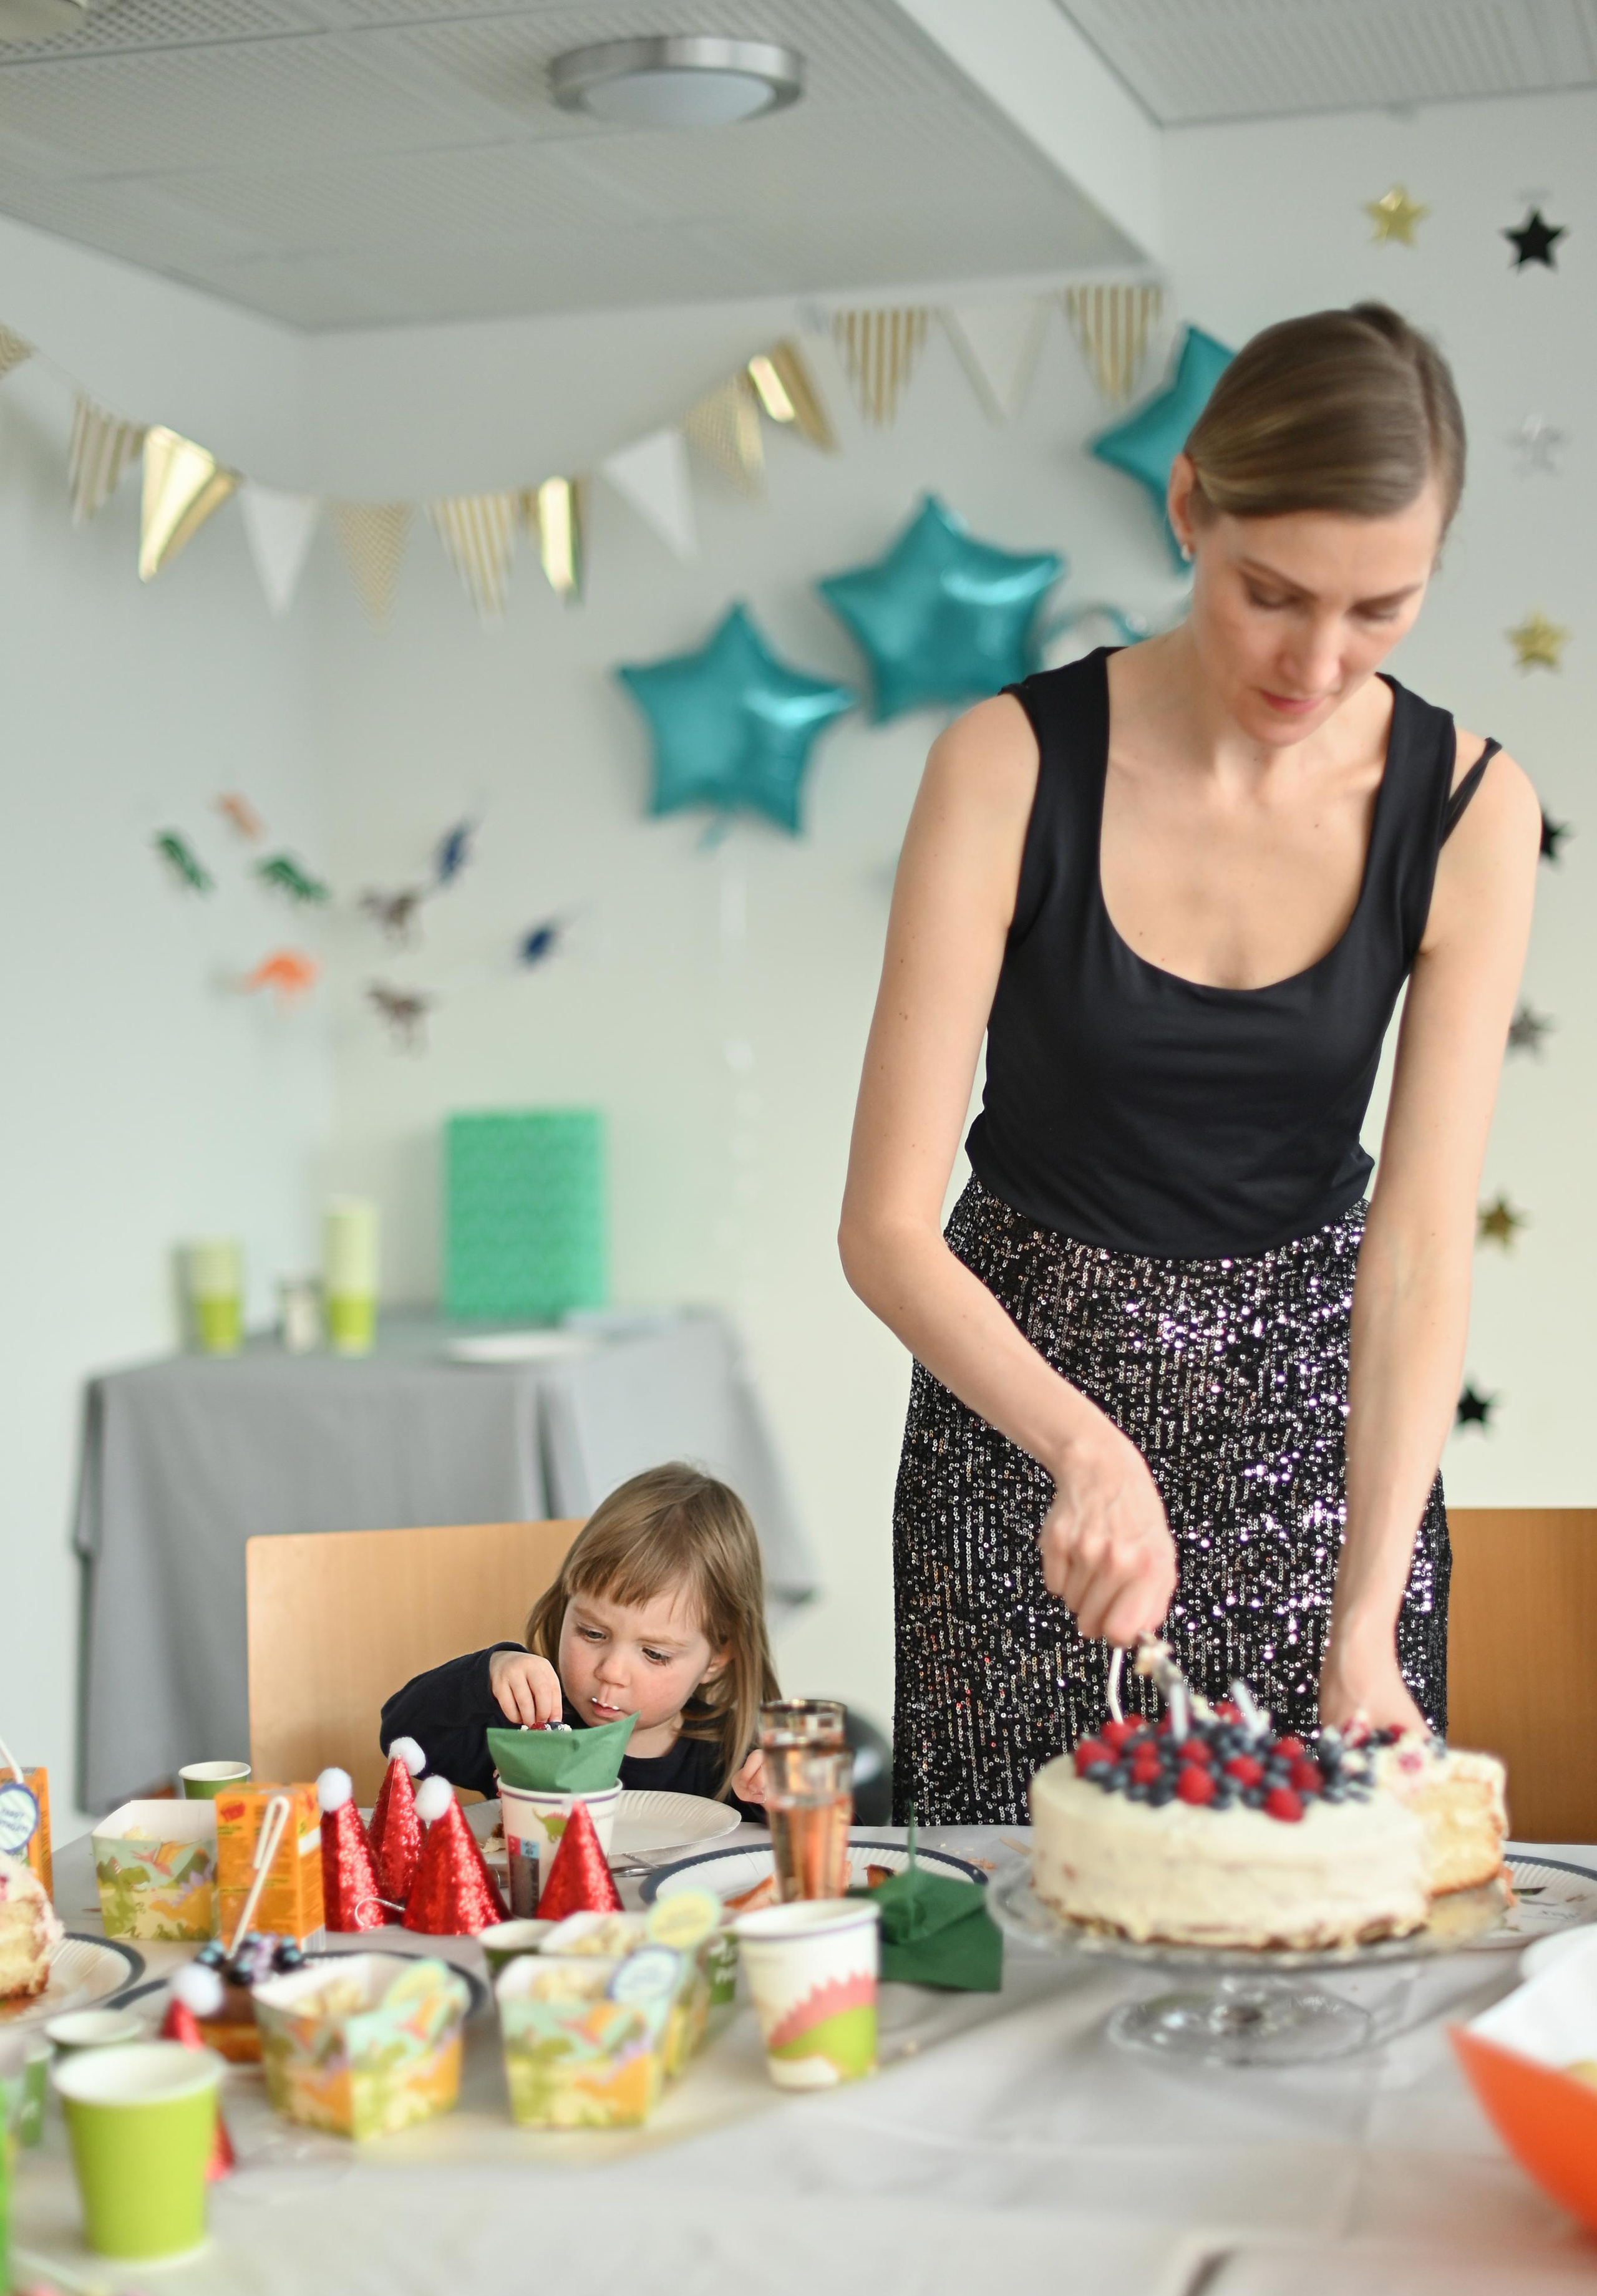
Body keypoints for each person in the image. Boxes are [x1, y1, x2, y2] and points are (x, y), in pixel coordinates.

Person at [839, 303, 1541, 1826]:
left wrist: (1364, 1615)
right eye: (1268, 593)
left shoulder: (1472, 810)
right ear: (1185, 508)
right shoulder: (1005, 765)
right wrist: (1080, 1444)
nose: (1316, 661)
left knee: (1311, 1933)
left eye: (1378, 609)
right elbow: (883, 1226)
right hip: (1020, 1398)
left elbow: (1416, 1250)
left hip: (1316, 1426)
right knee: (1016, 1910)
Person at [380, 1462, 777, 1818]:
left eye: (655, 1654)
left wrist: (787, 1796)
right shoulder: (529, 1723)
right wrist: (485, 1675)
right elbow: (401, 1736)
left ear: (718, 1657)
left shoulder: (735, 1757)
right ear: (565, 1606)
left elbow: (833, 1840)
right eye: (592, 1633)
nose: (612, 1671)